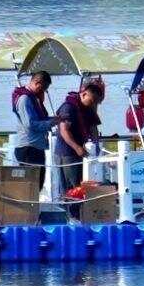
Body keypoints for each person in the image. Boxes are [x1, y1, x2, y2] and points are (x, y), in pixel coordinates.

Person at [49, 77, 101, 206]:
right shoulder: (69, 108)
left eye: (96, 102)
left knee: (79, 183)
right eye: (93, 100)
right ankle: (70, 213)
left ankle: (79, 211)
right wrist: (77, 147)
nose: (94, 103)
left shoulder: (89, 108)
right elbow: (64, 130)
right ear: (84, 94)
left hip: (80, 152)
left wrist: (96, 143)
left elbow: (93, 126)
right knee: (70, 185)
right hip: (66, 152)